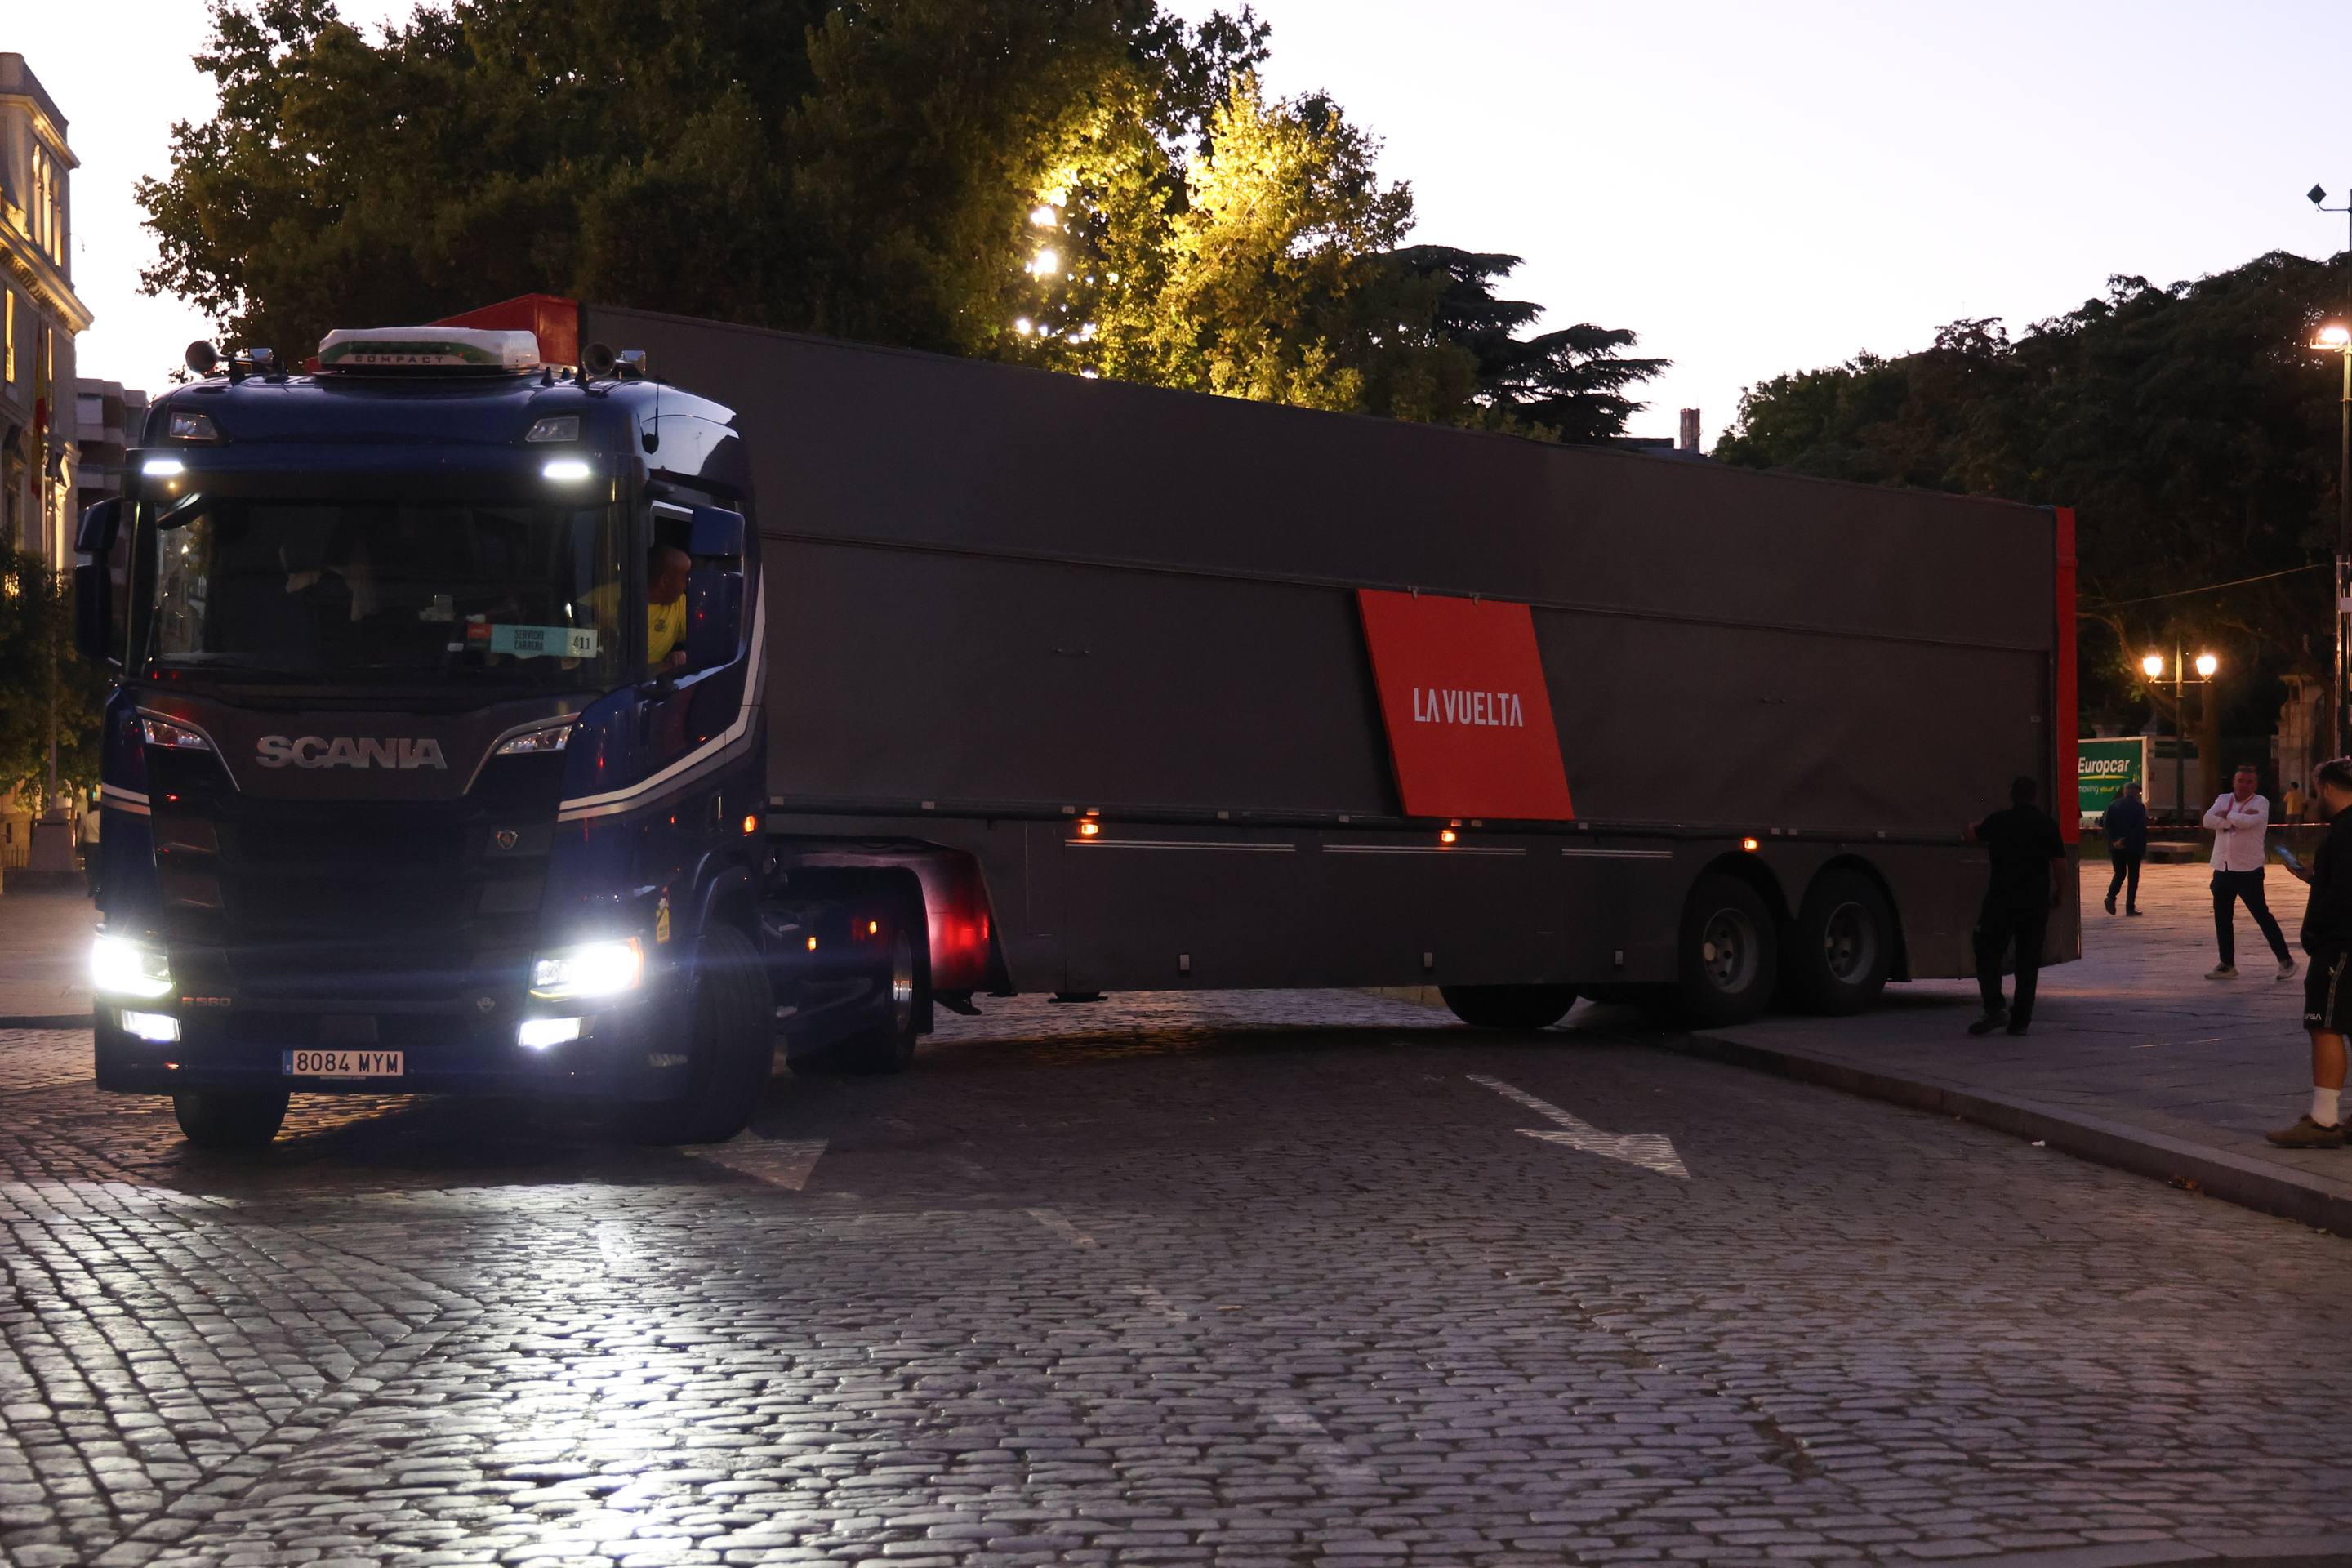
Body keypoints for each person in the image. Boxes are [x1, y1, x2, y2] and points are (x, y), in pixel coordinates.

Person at [2268, 757, 2352, 1147]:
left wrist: (2318, 935)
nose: (2316, 799)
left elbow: (2343, 896)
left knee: (2325, 1025)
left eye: (2318, 791)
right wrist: (2315, 880)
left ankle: (2323, 1121)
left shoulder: (2344, 832)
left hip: (2341, 946)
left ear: (2330, 789)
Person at [1966, 775, 2068, 1036]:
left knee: (1986, 949)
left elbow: (1971, 835)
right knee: (2028, 960)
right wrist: (2060, 892)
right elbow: (2059, 863)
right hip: (2034, 903)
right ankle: (2021, 1020)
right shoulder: (2047, 825)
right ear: (2034, 796)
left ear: (2012, 796)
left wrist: (1973, 826)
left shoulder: (1998, 821)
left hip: (2001, 900)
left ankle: (1994, 1007)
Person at [2203, 764, 2294, 981]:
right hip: (2223, 867)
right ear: (2234, 782)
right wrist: (2232, 817)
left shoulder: (2260, 803)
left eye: (2249, 781)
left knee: (2262, 916)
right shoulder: (2223, 798)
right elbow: (2208, 820)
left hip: (2248, 870)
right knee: (2222, 918)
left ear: (2256, 784)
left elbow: (2249, 822)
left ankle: (2286, 960)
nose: (2244, 785)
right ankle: (2227, 964)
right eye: (2241, 781)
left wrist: (2227, 817)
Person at [586, 545, 693, 674]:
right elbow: (558, 642)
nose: (689, 584)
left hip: (649, 685)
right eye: (685, 579)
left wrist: (685, 655)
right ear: (664, 582)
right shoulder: (601, 599)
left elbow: (705, 642)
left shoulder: (680, 603)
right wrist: (605, 634)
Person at [2100, 781, 2148, 916]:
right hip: (2133, 847)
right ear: (2135, 793)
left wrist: (2115, 840)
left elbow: (2106, 824)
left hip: (2116, 847)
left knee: (2119, 873)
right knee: (2133, 877)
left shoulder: (2113, 804)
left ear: (2125, 792)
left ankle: (2111, 897)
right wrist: (2126, 840)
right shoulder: (2139, 807)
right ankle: (2130, 908)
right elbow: (2139, 828)